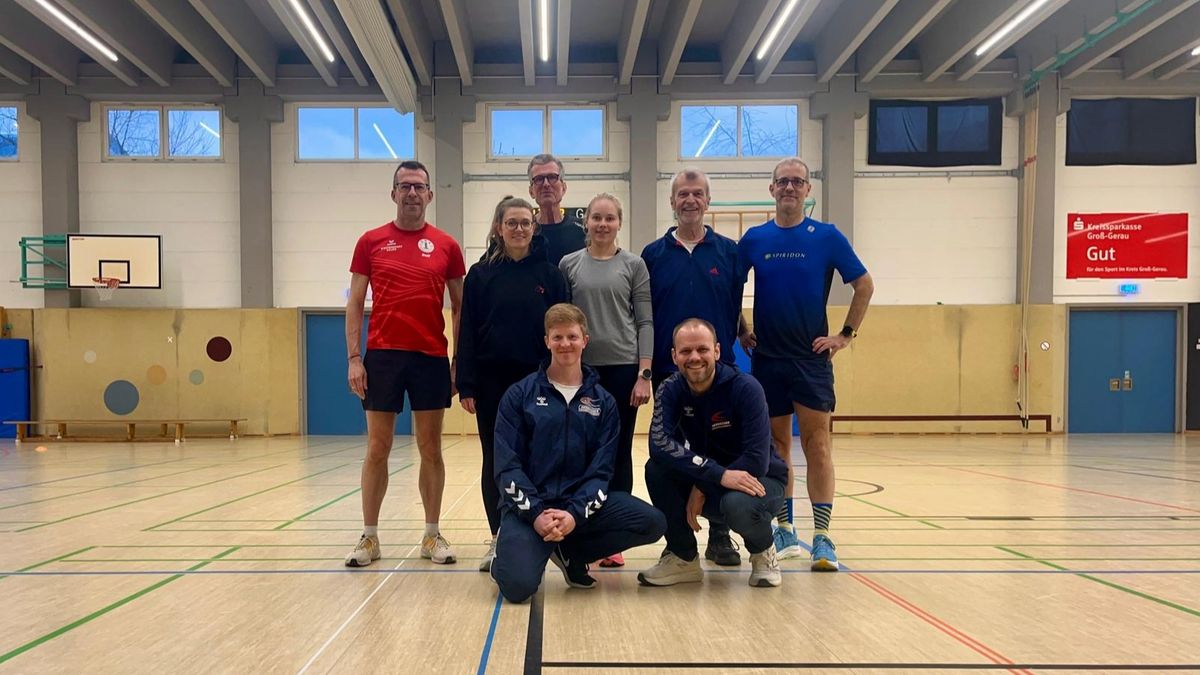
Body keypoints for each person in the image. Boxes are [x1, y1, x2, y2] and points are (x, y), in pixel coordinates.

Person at [737, 157, 874, 571]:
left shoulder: (827, 236)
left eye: (797, 182)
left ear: (808, 190)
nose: (789, 188)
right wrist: (742, 329)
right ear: (772, 189)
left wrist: (845, 335)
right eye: (783, 181)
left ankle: (823, 537)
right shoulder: (755, 238)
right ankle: (784, 528)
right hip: (767, 359)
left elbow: (864, 285)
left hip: (810, 361)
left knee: (818, 444)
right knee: (777, 449)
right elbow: (729, 287)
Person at [490, 304, 666, 603]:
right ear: (547, 341)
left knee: (652, 522)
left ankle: (571, 553)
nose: (565, 344)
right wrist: (536, 514)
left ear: (585, 340)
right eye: (557, 337)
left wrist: (573, 514)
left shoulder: (604, 403)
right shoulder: (520, 395)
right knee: (517, 588)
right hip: (530, 510)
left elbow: (601, 472)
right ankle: (507, 555)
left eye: (572, 336)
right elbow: (507, 467)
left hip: (577, 506)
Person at [345, 159, 466, 567]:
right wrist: (354, 358)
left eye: (419, 186)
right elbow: (355, 302)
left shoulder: (447, 246)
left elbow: (460, 307)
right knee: (377, 448)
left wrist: (458, 361)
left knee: (431, 448)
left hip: (430, 357)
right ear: (393, 193)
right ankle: (370, 537)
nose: (412, 193)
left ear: (429, 195)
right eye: (405, 186)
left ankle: (431, 535)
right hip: (382, 357)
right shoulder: (371, 241)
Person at [457, 196, 571, 572]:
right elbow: (467, 331)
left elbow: (564, 331)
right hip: (492, 383)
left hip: (539, 383)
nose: (519, 229)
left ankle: (543, 537)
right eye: (512, 223)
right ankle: (498, 537)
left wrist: (564, 378)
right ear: (499, 228)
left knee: (541, 460)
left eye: (525, 223)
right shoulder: (480, 275)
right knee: (496, 460)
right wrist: (467, 383)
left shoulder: (551, 276)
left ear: (534, 228)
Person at [640, 167, 744, 567]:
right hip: (670, 372)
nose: (690, 200)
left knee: (720, 449)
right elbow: (644, 315)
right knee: (668, 456)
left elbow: (733, 305)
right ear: (672, 201)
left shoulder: (729, 252)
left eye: (697, 193)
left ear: (707, 200)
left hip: (720, 373)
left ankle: (719, 534)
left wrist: (744, 332)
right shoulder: (652, 255)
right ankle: (679, 542)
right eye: (683, 194)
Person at [638, 319, 786, 588]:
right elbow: (659, 444)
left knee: (736, 504)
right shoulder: (670, 388)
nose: (694, 357)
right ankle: (683, 557)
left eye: (702, 349)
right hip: (716, 479)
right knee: (656, 470)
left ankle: (763, 552)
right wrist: (713, 476)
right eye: (685, 351)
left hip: (762, 482)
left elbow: (756, 460)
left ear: (717, 351)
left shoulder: (746, 388)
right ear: (674, 355)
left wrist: (704, 483)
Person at [558, 193, 653, 568]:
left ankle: (614, 536)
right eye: (596, 217)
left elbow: (645, 321)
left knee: (617, 451)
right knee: (579, 452)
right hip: (581, 371)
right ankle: (580, 532)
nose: (602, 224)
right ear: (587, 222)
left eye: (609, 218)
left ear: (619, 223)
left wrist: (644, 373)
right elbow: (562, 321)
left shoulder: (634, 265)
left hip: (623, 370)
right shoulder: (569, 264)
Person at [528, 153, 586, 265]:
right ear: (531, 191)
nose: (546, 184)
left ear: (563, 188)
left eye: (552, 177)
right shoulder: (525, 232)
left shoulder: (583, 231)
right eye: (539, 179)